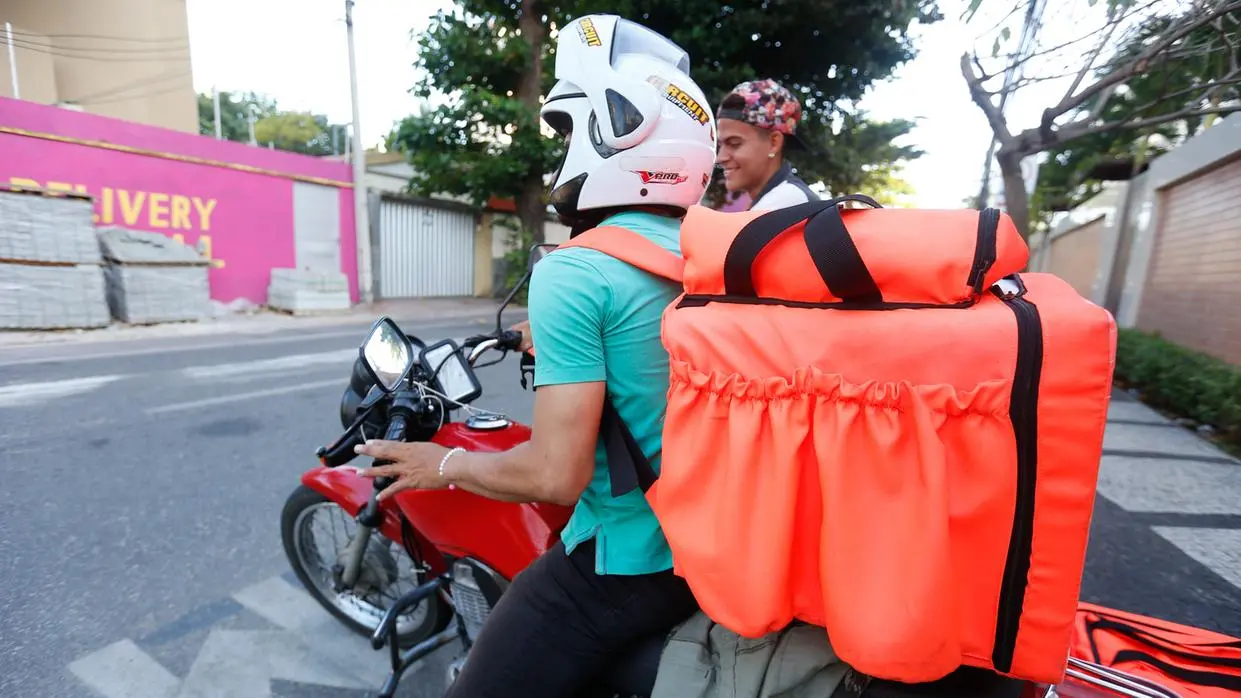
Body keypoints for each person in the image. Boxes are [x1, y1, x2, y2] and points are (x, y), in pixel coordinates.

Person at [353, 14, 718, 698]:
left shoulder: (575, 271)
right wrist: (550, 335)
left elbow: (554, 475)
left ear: (616, 133)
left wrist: (442, 464)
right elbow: (653, 345)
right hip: (715, 535)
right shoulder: (708, 252)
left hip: (630, 559)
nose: (563, 153)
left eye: (571, 131)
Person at [715, 78, 821, 210]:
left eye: (734, 143)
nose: (720, 158)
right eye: (720, 145)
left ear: (774, 143)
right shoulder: (775, 200)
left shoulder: (787, 204)